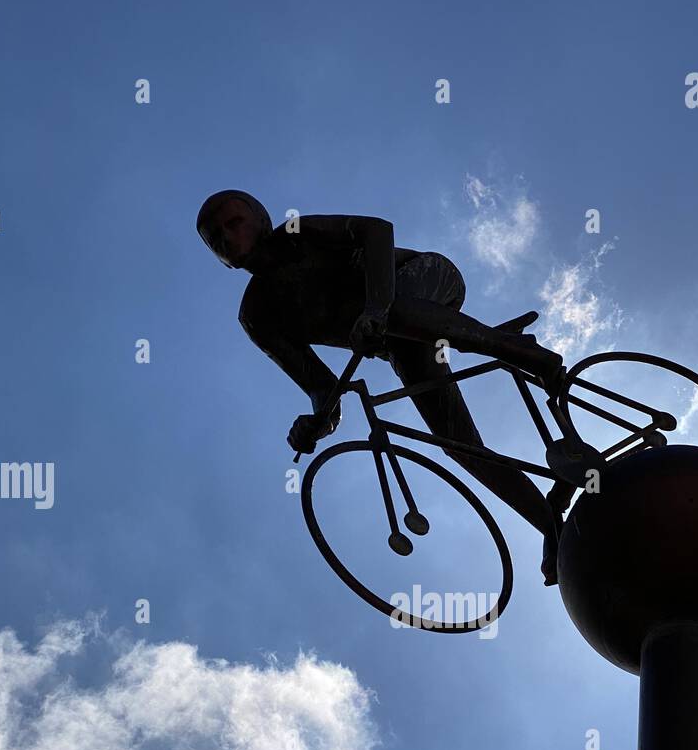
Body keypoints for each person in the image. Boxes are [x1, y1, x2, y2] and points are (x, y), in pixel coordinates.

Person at [196, 189, 570, 583]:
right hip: (400, 341)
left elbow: (376, 231)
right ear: (218, 258)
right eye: (215, 238)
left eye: (234, 222)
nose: (227, 237)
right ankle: (550, 525)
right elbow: (324, 389)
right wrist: (315, 424)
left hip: (426, 280)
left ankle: (523, 353)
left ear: (260, 217)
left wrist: (375, 309)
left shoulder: (298, 233)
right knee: (456, 443)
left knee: (396, 315)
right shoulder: (258, 316)